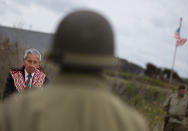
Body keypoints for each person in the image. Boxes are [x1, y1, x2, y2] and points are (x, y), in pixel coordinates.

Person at [0, 10, 148, 131]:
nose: (32, 64)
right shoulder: (131, 123)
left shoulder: (15, 110)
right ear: (107, 59)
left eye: (35, 62)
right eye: (29, 61)